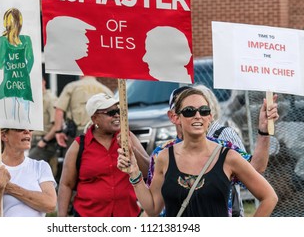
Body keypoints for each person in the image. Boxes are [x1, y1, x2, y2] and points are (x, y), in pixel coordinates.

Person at [118, 87, 278, 217]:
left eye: (203, 111)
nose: (197, 116)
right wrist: (134, 173)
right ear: (175, 117)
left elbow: (269, 197)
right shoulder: (164, 157)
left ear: (210, 116)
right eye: (189, 111)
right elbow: (153, 208)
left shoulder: (228, 155)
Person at [57, 93, 149, 217]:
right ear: (95, 118)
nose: (116, 115)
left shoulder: (128, 137)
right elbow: (66, 184)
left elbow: (148, 171)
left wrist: (132, 150)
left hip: (126, 215)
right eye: (110, 113)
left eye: (118, 110)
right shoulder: (80, 145)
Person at [0, 128, 57, 217]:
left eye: (30, 129)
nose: (27, 132)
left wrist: (10, 188)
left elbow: (50, 205)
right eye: (20, 129)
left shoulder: (41, 166)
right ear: (4, 136)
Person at [0, 8, 34, 123]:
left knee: (9, 121)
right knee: (25, 120)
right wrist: (23, 74)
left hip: (9, 84)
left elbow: (0, 64)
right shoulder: (26, 40)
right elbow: (31, 60)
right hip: (23, 84)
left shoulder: (3, 40)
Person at [54, 76, 113, 149]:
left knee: (75, 158)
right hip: (101, 132)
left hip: (78, 133)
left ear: (80, 74)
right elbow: (113, 113)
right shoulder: (106, 90)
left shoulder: (72, 87)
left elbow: (59, 111)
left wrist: (58, 132)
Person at [28, 75, 59, 176]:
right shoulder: (35, 99)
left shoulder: (51, 99)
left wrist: (44, 141)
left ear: (44, 82)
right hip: (34, 141)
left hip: (45, 144)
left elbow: (57, 126)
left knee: (30, 170)